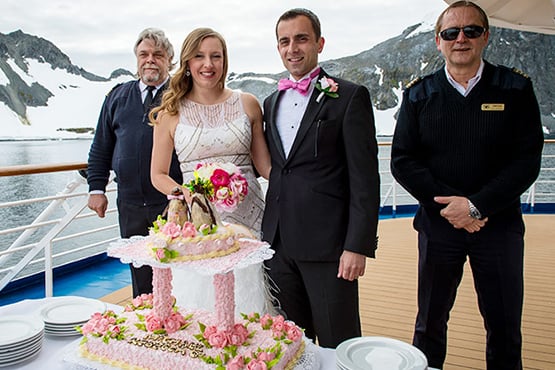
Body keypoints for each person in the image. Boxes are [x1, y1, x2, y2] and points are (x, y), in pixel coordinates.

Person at [390, 2, 545, 369]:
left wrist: (476, 206)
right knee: (429, 324)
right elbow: (403, 161)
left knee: (504, 326)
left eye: (471, 31)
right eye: (451, 33)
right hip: (439, 227)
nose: (461, 38)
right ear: (438, 41)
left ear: (486, 36)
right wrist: (452, 208)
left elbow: (526, 161)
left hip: (498, 228)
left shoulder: (515, 88)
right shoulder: (419, 95)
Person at [261, 8, 380, 348]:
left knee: (337, 342)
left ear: (319, 43)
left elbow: (365, 179)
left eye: (301, 38)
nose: (292, 48)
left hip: (329, 248)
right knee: (290, 344)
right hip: (278, 245)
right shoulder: (271, 102)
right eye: (284, 41)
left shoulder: (349, 96)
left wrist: (356, 245)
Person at [149, 28, 272, 315]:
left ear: (225, 61)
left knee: (250, 305)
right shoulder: (170, 113)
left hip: (250, 219)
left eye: (216, 56)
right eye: (200, 57)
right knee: (201, 309)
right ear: (187, 64)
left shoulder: (248, 104)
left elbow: (265, 166)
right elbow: (158, 175)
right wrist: (185, 194)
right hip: (200, 222)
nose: (208, 64)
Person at [87, 28, 183, 298]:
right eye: (144, 54)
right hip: (129, 204)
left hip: (171, 202)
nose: (150, 60)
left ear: (169, 60)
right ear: (136, 59)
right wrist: (97, 188)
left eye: (158, 54)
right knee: (140, 274)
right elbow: (101, 146)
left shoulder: (181, 95)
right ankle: (147, 328)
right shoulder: (117, 97)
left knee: (178, 271)